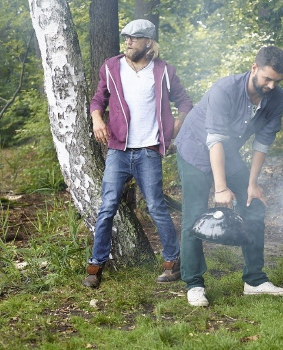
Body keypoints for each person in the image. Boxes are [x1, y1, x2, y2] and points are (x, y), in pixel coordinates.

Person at [174, 46, 283, 307]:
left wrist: (251, 184)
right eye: (267, 79)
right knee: (194, 215)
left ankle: (255, 280)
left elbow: (263, 143)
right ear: (254, 68)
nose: (271, 86)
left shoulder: (277, 98)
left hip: (227, 151)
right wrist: (221, 188)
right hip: (195, 148)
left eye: (277, 81)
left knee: (254, 204)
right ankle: (194, 283)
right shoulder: (224, 90)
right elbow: (213, 139)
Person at [83, 19, 193, 288]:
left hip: (148, 151)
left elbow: (185, 102)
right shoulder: (112, 67)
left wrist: (175, 127)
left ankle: (172, 263)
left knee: (156, 206)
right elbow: (99, 99)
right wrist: (97, 120)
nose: (129, 41)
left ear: (148, 42)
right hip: (118, 150)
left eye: (134, 37)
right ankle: (95, 267)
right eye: (127, 37)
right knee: (107, 206)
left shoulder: (163, 71)